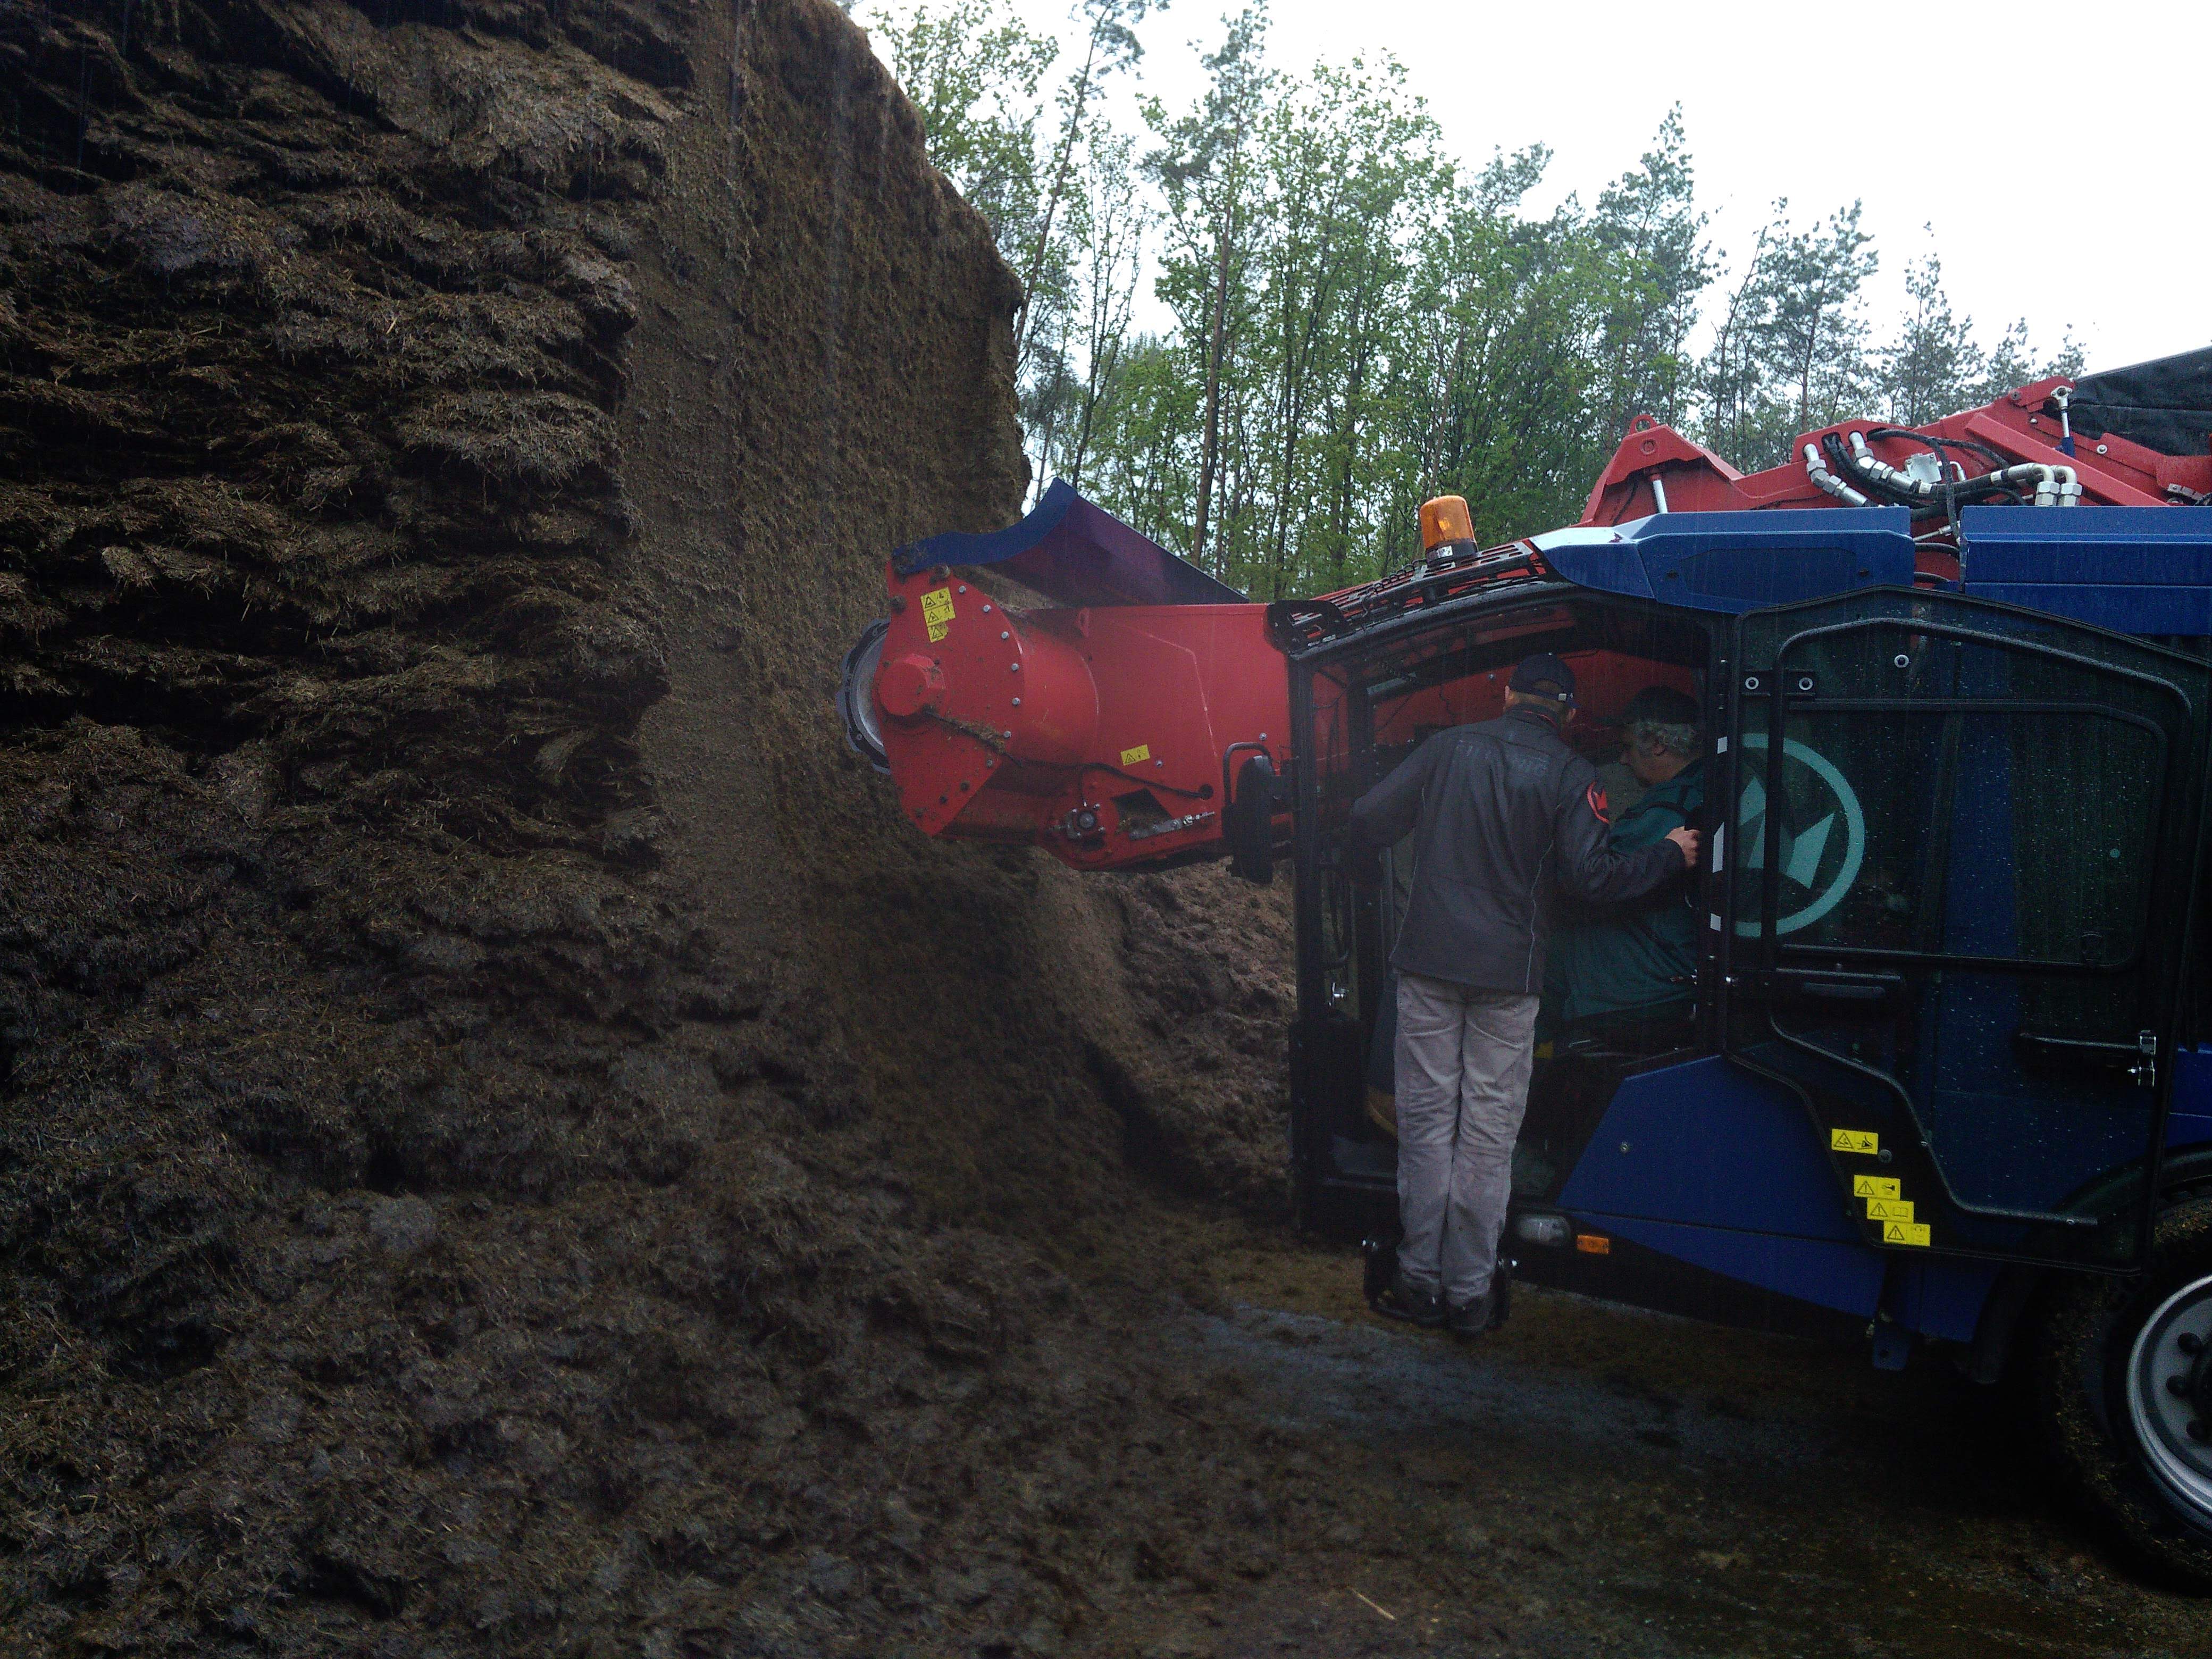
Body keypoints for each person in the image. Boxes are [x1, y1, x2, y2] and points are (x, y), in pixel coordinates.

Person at [1348, 653, 1699, 1336]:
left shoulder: (1447, 749)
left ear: (1506, 694)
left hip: (1428, 967)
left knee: (1427, 1128)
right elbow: (1591, 881)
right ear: (1566, 713)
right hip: (1509, 980)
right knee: (1486, 1136)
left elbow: (1366, 817)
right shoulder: (1571, 775)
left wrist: (1366, 876)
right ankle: (1469, 1296)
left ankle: (1418, 1281)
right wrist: (1667, 855)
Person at [1545, 686, 1708, 1042]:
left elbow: (1595, 884)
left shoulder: (1671, 808)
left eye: (1628, 747)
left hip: (1636, 988)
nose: (1622, 760)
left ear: (1658, 745)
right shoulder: (1706, 788)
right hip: (1661, 976)